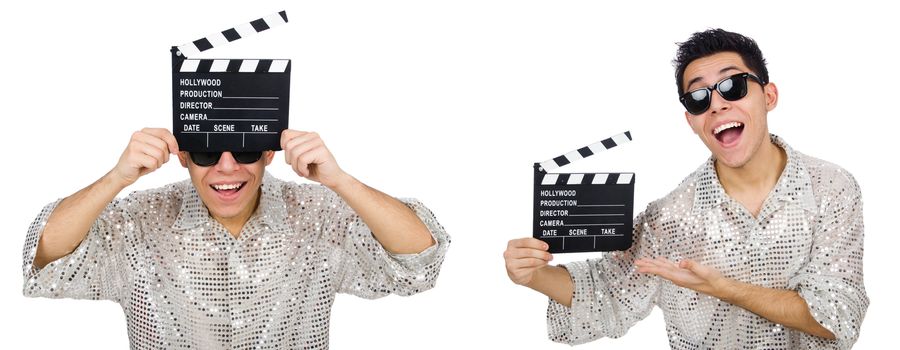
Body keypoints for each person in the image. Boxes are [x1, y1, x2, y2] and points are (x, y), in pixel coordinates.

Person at [504, 28, 867, 349]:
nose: (717, 104)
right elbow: (607, 292)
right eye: (698, 98)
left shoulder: (831, 188)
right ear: (690, 119)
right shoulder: (669, 217)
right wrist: (534, 274)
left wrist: (723, 288)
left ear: (768, 96)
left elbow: (837, 317)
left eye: (732, 86)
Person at [22, 128, 450, 349]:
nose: (227, 168)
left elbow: (419, 257)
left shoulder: (317, 215)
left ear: (268, 152)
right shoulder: (140, 221)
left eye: (244, 149)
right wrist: (117, 178)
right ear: (184, 156)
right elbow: (48, 258)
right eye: (208, 152)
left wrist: (340, 181)